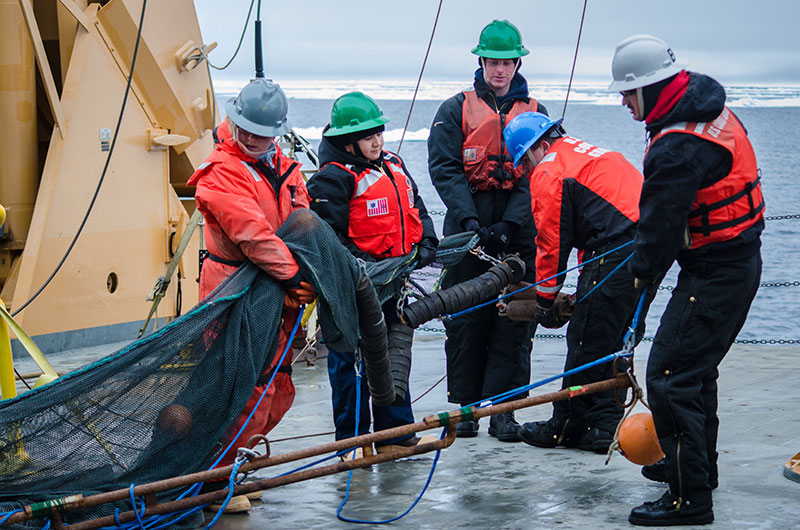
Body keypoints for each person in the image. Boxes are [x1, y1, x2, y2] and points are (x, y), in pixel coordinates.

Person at [609, 35, 764, 526]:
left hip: (719, 272)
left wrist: (639, 280)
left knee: (670, 377)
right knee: (695, 373)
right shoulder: (701, 102)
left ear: (653, 90)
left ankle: (688, 500)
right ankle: (696, 471)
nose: (623, 103)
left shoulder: (676, 147)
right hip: (731, 263)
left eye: (628, 94)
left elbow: (657, 236)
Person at [187, 78, 315, 512]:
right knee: (237, 385)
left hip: (276, 290)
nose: (256, 141)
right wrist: (296, 276)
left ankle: (237, 467)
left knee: (274, 382)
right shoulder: (220, 172)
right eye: (249, 132)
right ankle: (213, 481)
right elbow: (253, 235)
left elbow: (302, 220)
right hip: (235, 292)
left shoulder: (285, 166)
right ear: (234, 122)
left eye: (265, 134)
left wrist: (300, 276)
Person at [503, 111, 655, 454]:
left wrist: (544, 299)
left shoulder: (550, 170)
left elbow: (551, 242)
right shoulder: (585, 153)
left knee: (588, 335)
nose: (526, 173)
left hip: (619, 250)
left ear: (539, 149)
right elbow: (599, 219)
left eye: (524, 165)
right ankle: (600, 422)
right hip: (648, 244)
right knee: (619, 333)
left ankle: (573, 426)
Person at [427, 19, 544, 442]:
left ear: (516, 63)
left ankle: (506, 410)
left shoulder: (535, 112)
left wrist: (512, 221)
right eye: (493, 61)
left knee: (516, 320)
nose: (499, 70)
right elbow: (444, 167)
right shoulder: (453, 109)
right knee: (464, 317)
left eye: (507, 62)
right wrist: (469, 220)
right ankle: (467, 407)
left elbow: (540, 172)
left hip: (518, 225)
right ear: (482, 61)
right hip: (468, 225)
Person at [306, 91, 439, 454]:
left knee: (393, 356)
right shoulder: (330, 180)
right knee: (349, 364)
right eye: (368, 136)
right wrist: (362, 272)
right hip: (350, 292)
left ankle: (395, 435)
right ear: (348, 142)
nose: (377, 141)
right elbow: (326, 240)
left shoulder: (394, 164)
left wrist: (427, 240)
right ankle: (350, 443)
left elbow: (417, 207)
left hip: (393, 284)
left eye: (379, 133)